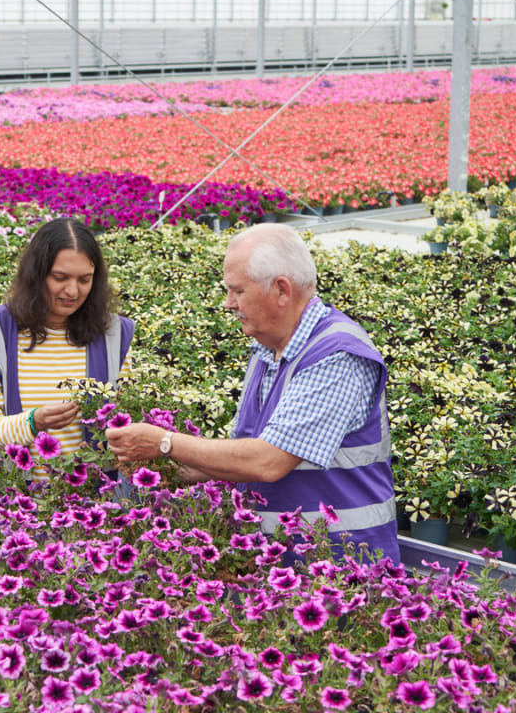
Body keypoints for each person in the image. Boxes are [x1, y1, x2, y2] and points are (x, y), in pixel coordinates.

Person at [106, 223, 397, 563]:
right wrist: (163, 468)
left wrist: (166, 443)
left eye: (237, 291)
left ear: (281, 290)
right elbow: (242, 457)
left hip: (343, 571)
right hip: (283, 563)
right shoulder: (269, 349)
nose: (228, 304)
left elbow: (268, 461)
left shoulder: (337, 355)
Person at [0, 218, 133, 475]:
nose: (72, 291)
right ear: (36, 274)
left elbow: (126, 420)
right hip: (17, 506)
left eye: (85, 280)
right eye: (60, 277)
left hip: (94, 506)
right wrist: (33, 422)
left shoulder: (113, 335)